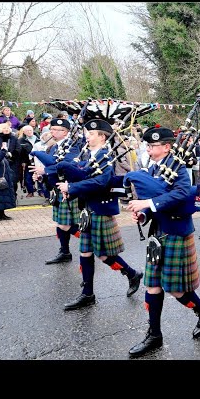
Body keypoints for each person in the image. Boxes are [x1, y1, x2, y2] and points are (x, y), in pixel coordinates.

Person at [126, 126, 200, 358]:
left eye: (153, 146)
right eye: (147, 145)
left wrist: (148, 205)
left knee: (176, 290)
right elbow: (151, 200)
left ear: (166, 147)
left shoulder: (178, 169)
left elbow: (180, 194)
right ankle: (154, 334)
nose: (149, 149)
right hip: (158, 232)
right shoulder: (152, 168)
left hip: (176, 232)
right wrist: (143, 214)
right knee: (152, 285)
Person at [57, 119, 143, 311]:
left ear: (103, 137)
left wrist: (72, 187)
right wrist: (70, 187)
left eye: (92, 133)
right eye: (87, 133)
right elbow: (85, 177)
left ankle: (132, 274)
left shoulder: (106, 156)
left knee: (104, 255)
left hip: (100, 210)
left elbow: (101, 182)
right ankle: (88, 294)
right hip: (88, 209)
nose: (87, 136)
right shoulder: (89, 154)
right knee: (85, 252)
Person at [31, 118, 82, 264]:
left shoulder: (72, 147)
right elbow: (53, 168)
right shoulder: (53, 147)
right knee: (60, 222)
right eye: (51, 129)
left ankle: (90, 242)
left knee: (65, 224)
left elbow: (68, 166)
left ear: (65, 132)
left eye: (56, 130)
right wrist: (41, 176)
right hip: (57, 189)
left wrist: (45, 170)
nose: (51, 132)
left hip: (68, 189)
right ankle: (64, 251)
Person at [0, 122, 21, 193]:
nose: (6, 129)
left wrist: (11, 154)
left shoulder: (14, 137)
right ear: (0, 129)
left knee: (13, 179)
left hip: (13, 162)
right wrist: (1, 154)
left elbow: (18, 148)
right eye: (4, 128)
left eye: (8, 128)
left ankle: (13, 194)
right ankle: (4, 195)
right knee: (2, 180)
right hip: (0, 162)